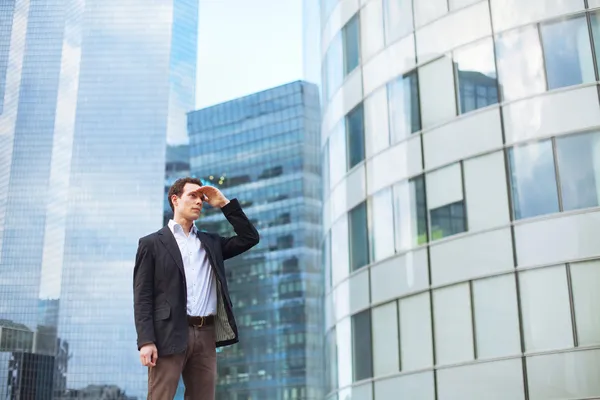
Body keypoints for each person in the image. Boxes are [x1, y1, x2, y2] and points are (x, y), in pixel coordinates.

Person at [133, 177, 259, 399]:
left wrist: (223, 203)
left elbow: (249, 237)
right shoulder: (151, 243)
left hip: (206, 334)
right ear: (175, 199)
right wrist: (146, 341)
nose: (199, 202)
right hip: (168, 333)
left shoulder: (211, 243)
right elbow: (142, 296)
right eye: (192, 196)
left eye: (201, 198)